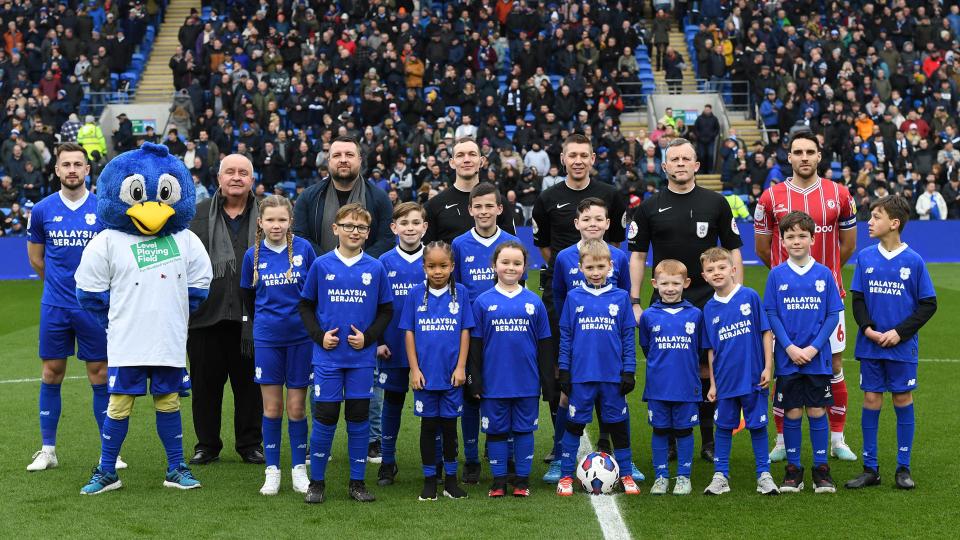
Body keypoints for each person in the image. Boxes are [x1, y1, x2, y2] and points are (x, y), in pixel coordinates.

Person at [628, 137, 743, 462]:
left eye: (685, 158)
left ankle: (708, 439)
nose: (680, 163)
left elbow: (734, 250)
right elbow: (637, 256)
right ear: (664, 166)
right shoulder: (648, 207)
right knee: (670, 367)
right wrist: (635, 301)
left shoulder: (716, 203)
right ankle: (670, 438)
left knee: (708, 368)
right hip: (665, 302)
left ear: (696, 165)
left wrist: (734, 295)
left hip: (708, 300)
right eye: (674, 159)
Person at [754, 132, 858, 463]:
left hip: (828, 298)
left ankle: (837, 438)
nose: (804, 157)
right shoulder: (770, 197)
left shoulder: (840, 194)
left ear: (819, 155)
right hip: (785, 302)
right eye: (797, 152)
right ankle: (782, 440)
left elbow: (848, 246)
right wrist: (790, 280)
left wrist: (820, 278)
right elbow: (762, 248)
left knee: (834, 365)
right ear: (789, 157)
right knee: (784, 368)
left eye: (810, 151)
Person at [292, 136, 394, 462]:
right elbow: (302, 237)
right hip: (324, 286)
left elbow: (386, 238)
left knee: (367, 371)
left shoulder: (377, 197)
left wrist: (358, 262)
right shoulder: (310, 197)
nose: (343, 159)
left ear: (360, 160)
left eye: (350, 154)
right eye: (337, 154)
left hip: (364, 287)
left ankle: (372, 439)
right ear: (329, 160)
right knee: (321, 370)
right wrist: (332, 262)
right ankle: (319, 441)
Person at [25, 142, 120, 471]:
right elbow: (36, 259)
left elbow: (113, 258)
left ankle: (110, 451)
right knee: (52, 372)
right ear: (56, 170)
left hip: (93, 307)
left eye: (78, 164)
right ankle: (48, 450)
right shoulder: (42, 210)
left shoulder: (103, 210)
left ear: (87, 170)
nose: (72, 170)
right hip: (55, 305)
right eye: (66, 164)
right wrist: (58, 285)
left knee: (100, 373)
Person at [532, 133, 627, 459]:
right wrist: (569, 269)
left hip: (603, 297)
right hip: (561, 296)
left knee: (605, 367)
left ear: (592, 158)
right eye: (572, 155)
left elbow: (614, 245)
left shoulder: (611, 195)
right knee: (558, 370)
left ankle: (605, 441)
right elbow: (546, 248)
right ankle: (560, 445)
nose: (578, 161)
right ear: (563, 159)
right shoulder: (548, 198)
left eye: (583, 155)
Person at [299, 203, 393, 504]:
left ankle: (357, 483)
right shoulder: (321, 265)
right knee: (325, 416)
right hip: (327, 358)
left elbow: (386, 310)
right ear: (335, 228)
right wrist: (319, 336)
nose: (355, 231)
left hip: (361, 360)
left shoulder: (375, 268)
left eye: (361, 227)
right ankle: (317, 483)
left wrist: (368, 338)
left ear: (368, 233)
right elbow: (306, 306)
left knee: (358, 417)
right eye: (349, 226)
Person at [846, 196, 937, 490]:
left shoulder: (914, 260)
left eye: (876, 217)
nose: (869, 222)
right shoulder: (865, 257)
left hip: (902, 346)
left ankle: (903, 468)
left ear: (894, 223)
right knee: (872, 399)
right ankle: (870, 469)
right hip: (871, 344)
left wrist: (899, 332)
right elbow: (858, 299)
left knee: (902, 398)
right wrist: (868, 329)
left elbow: (928, 304)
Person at [544, 197, 636, 483]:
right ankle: (559, 459)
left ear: (608, 223)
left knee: (616, 401)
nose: (592, 224)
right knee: (566, 398)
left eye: (598, 219)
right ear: (577, 223)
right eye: (586, 219)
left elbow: (624, 295)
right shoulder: (564, 257)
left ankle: (626, 463)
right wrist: (571, 324)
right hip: (577, 338)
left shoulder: (619, 257)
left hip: (609, 346)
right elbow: (558, 294)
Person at [187, 153, 265, 466]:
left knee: (251, 387)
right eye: (229, 172)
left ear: (252, 180)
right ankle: (207, 445)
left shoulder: (268, 214)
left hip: (254, 317)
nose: (236, 177)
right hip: (206, 316)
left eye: (243, 172)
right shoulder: (197, 214)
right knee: (205, 387)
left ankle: (250, 444)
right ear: (219, 178)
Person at [762, 211, 844, 494]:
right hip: (788, 358)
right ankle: (793, 470)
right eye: (790, 236)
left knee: (818, 409)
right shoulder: (776, 274)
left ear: (812, 239)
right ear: (782, 241)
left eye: (801, 236)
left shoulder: (824, 273)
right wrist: (789, 347)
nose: (796, 241)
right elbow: (771, 313)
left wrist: (812, 347)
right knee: (793, 410)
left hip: (817, 358)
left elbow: (833, 314)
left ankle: (821, 470)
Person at [239, 195, 317, 495]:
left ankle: (299, 469)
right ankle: (272, 470)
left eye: (282, 219)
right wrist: (258, 328)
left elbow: (314, 293)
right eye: (270, 220)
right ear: (260, 222)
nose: (276, 225)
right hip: (268, 340)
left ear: (290, 221)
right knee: (272, 408)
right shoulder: (252, 256)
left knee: (296, 408)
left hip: (301, 339)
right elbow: (248, 298)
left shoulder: (305, 249)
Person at [449, 182, 523, 484]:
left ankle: (506, 453)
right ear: (470, 210)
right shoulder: (458, 244)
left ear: (499, 209)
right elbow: (454, 290)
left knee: (503, 393)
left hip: (504, 335)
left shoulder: (510, 242)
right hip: (471, 335)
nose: (483, 211)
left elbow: (520, 288)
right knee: (471, 396)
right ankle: (471, 459)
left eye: (489, 206)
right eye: (478, 206)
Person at [468, 241, 554, 498]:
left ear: (525, 267)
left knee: (523, 429)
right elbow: (475, 346)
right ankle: (498, 481)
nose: (510, 267)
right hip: (494, 382)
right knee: (496, 431)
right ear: (494, 265)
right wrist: (475, 379)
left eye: (517, 263)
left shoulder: (534, 303)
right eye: (504, 262)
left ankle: (522, 480)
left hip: (526, 382)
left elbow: (544, 346)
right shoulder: (483, 302)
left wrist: (547, 382)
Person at [555, 240, 640, 497]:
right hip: (581, 376)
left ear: (610, 266)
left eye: (600, 267)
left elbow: (628, 337)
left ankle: (626, 474)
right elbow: (566, 336)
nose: (595, 272)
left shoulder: (621, 297)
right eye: (590, 267)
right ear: (580, 267)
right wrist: (564, 369)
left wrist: (628, 370)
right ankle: (566, 476)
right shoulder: (573, 297)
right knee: (574, 425)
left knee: (618, 425)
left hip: (612, 376)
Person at [700, 247, 779, 496]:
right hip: (725, 380)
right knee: (723, 426)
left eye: (722, 267)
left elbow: (766, 332)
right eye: (710, 269)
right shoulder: (708, 308)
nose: (717, 272)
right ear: (704, 276)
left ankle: (764, 475)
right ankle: (720, 475)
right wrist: (713, 383)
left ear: (733, 270)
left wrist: (768, 367)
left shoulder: (749, 296)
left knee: (757, 425)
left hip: (753, 376)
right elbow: (711, 350)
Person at [400, 241, 473, 501]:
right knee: (429, 427)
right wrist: (414, 370)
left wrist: (461, 367)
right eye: (432, 266)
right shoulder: (414, 294)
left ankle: (451, 482)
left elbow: (465, 331)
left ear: (452, 266)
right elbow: (409, 332)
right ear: (424, 267)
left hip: (452, 375)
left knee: (450, 429)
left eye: (443, 266)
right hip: (426, 376)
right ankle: (430, 481)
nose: (438, 271)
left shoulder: (461, 293)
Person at [638, 259, 708, 496]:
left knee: (684, 431)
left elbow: (700, 348)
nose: (670, 288)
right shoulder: (648, 316)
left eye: (675, 283)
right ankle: (661, 477)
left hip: (686, 386)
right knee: (660, 430)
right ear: (654, 284)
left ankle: (683, 477)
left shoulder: (695, 315)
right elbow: (646, 347)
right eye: (665, 283)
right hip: (658, 387)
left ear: (686, 283)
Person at [376, 202, 428, 486]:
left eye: (415, 222)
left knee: (431, 406)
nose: (410, 228)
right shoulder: (383, 262)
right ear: (394, 228)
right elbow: (375, 306)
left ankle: (433, 462)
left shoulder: (434, 258)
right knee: (392, 403)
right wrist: (378, 341)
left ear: (425, 227)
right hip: (392, 347)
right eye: (404, 223)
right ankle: (387, 461)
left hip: (428, 350)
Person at [422, 137, 516, 245]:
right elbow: (428, 251)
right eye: (460, 155)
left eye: (472, 154)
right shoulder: (433, 206)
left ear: (482, 161)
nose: (466, 160)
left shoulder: (498, 202)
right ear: (452, 163)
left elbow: (511, 248)